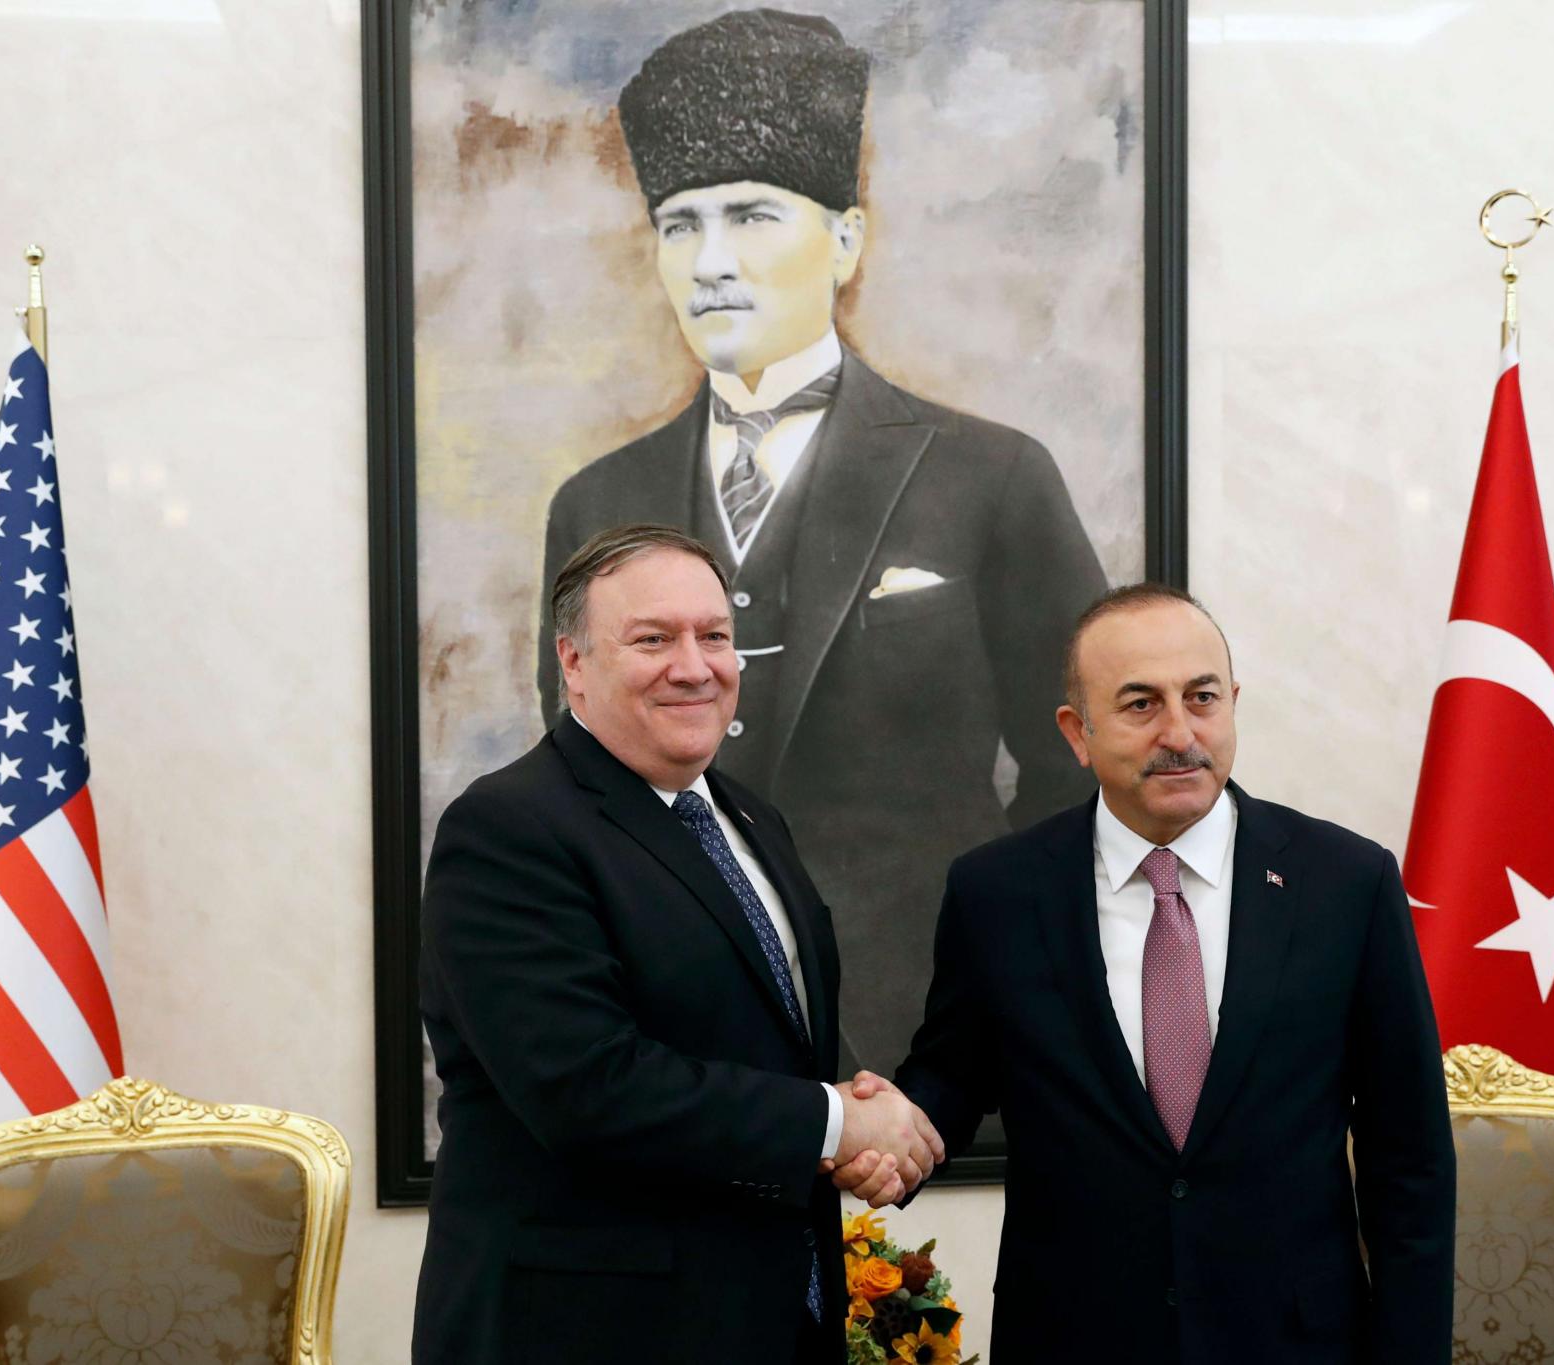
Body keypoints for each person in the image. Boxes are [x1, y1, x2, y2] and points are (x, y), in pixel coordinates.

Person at [537, 7, 1108, 1081]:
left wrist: (1004, 973)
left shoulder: (993, 476)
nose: (710, 262)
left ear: (845, 239)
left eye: (752, 216)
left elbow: (1076, 764)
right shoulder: (597, 502)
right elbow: (580, 789)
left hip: (940, 1036)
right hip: (683, 1052)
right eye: (680, 224)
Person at [835, 584, 1457, 1363]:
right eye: (1141, 704)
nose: (1180, 733)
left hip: (1294, 1341)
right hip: (1074, 1339)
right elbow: (954, 1074)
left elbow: (1410, 1158)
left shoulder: (1346, 882)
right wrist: (893, 1137)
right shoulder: (998, 890)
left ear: (1233, 703)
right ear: (1078, 732)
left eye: (1202, 698)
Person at [415, 524, 942, 1365]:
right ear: (573, 662)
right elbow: (587, 1088)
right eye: (653, 639)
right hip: (591, 1334)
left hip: (773, 1320)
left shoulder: (750, 817)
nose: (695, 667)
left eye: (715, 636)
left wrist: (843, 1135)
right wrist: (836, 1121)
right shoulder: (508, 828)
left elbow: (763, 1051)